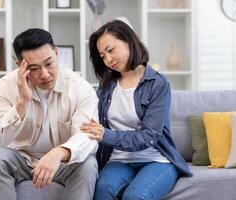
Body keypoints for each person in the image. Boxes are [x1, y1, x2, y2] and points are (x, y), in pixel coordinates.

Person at [81, 20, 192, 200]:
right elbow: (93, 122)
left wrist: (106, 135)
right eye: (102, 56)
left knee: (135, 196)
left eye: (111, 50)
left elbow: (150, 136)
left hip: (157, 160)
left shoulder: (157, 83)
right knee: (102, 190)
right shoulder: (106, 86)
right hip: (119, 160)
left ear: (129, 41)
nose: (108, 59)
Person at [0, 28, 99, 200]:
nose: (44, 75)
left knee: (88, 165)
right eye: (34, 68)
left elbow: (87, 136)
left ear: (57, 53)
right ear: (20, 66)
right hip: (20, 158)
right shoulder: (4, 86)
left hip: (61, 162)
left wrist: (59, 153)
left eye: (49, 63)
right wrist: (22, 103)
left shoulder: (80, 88)